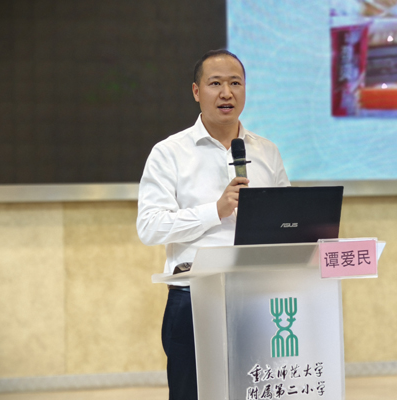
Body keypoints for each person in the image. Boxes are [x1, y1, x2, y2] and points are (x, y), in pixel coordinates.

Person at [136, 49, 290, 399]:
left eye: (235, 83)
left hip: (258, 296)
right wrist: (215, 211)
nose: (226, 93)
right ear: (196, 91)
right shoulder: (169, 152)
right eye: (215, 83)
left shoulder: (267, 151)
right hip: (195, 297)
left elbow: (288, 219)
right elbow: (149, 226)